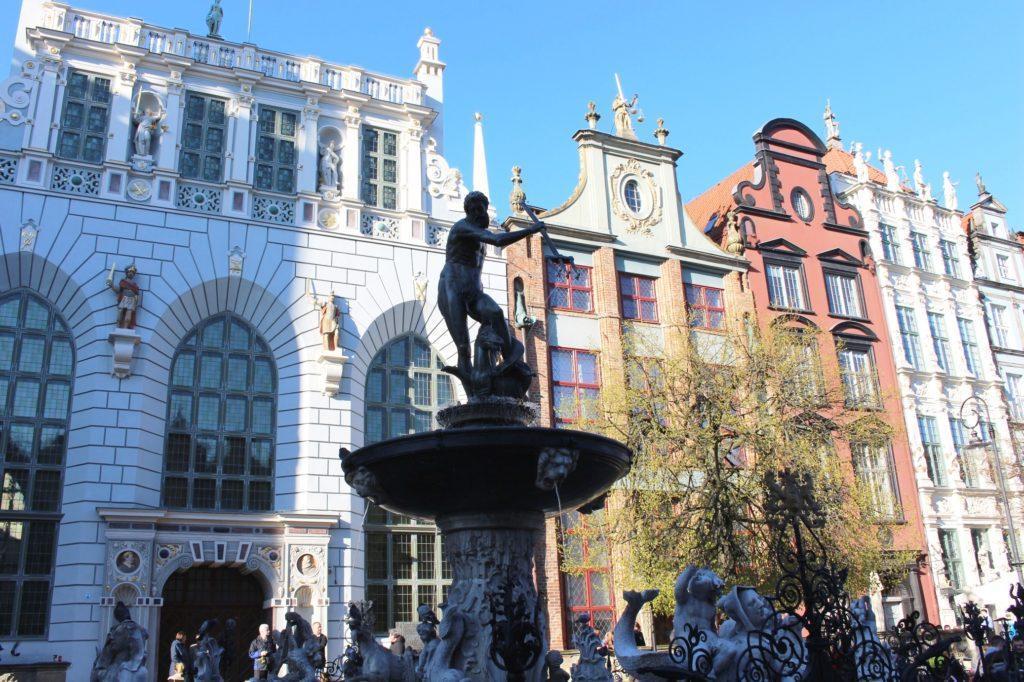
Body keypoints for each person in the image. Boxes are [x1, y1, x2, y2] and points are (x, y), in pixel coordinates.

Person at [436, 191, 543, 395]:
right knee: (463, 346)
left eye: (481, 209)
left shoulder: (478, 234)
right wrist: (530, 230)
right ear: (468, 212)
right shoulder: (463, 227)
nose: (478, 214)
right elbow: (498, 240)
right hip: (452, 289)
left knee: (495, 314)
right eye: (473, 210)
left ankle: (512, 360)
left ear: (486, 209)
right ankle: (472, 395)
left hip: (473, 291)